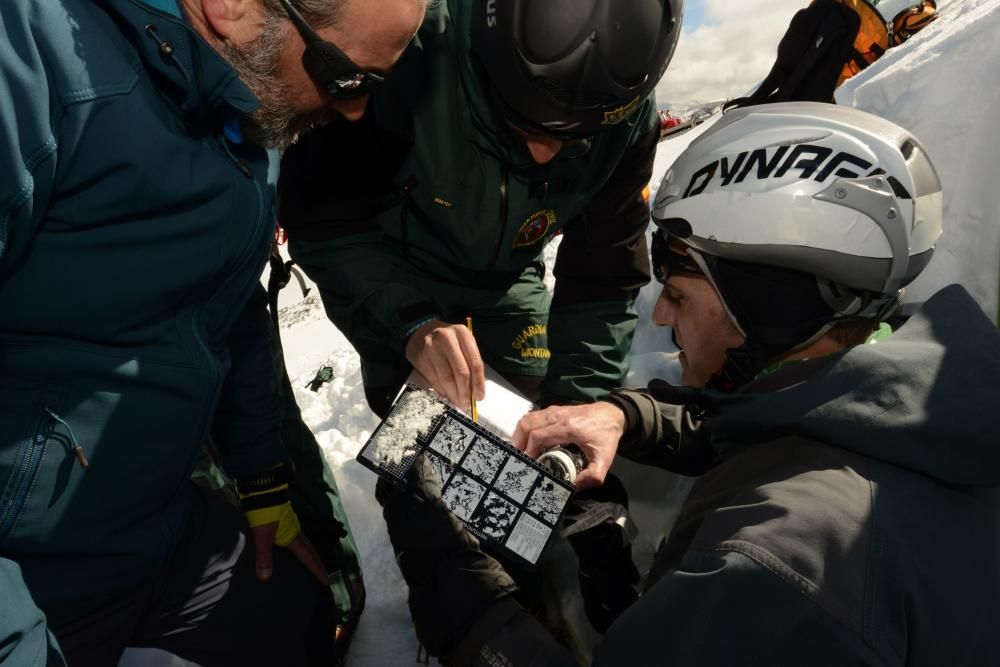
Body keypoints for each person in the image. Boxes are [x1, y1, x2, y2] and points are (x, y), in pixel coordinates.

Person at [374, 102, 1000, 665]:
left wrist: (465, 601)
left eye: (676, 294)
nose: (660, 316)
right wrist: (626, 415)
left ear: (762, 308)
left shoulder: (774, 568)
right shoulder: (917, 390)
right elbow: (794, 423)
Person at [0, 0, 425, 664]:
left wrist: (260, 476)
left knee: (302, 618)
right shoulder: (27, 65)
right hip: (38, 580)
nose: (354, 111)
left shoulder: (244, 96)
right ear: (232, 6)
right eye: (347, 78)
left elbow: (223, 303)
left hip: (153, 528)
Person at [277, 0, 682, 416]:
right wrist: (409, 323)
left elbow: (604, 277)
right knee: (416, 438)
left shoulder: (628, 122)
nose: (544, 156)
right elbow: (325, 226)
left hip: (506, 284)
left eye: (580, 136)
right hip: (396, 278)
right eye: (521, 123)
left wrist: (579, 407)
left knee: (548, 408)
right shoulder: (402, 54)